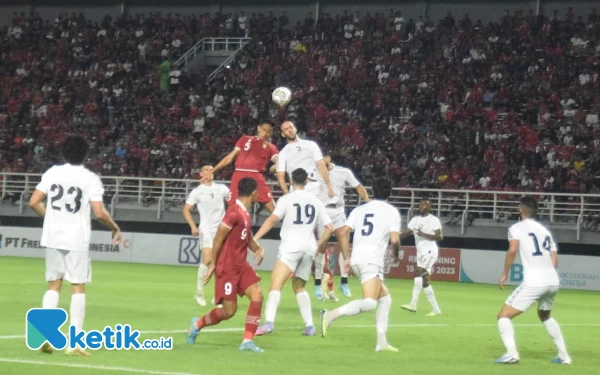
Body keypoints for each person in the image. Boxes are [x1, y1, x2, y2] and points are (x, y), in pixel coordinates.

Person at [28, 135, 122, 357]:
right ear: (85, 154)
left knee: (53, 286)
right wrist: (114, 228)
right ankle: (75, 342)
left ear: (63, 152)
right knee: (77, 287)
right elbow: (99, 212)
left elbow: (33, 201)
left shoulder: (52, 172)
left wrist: (50, 218)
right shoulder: (90, 178)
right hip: (76, 239)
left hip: (52, 237)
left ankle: (45, 334)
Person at [320, 177, 400, 353]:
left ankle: (382, 341)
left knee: (385, 299)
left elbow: (343, 232)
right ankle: (331, 315)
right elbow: (394, 239)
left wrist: (347, 257)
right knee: (370, 303)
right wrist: (396, 255)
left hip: (357, 259)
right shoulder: (392, 212)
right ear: (390, 193)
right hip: (372, 261)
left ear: (372, 191)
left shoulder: (359, 210)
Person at [187, 177, 266, 353]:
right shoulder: (233, 212)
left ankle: (247, 341)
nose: (258, 196)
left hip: (241, 265)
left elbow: (247, 237)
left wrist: (257, 249)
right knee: (229, 311)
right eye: (257, 193)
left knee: (257, 294)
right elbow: (218, 239)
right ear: (254, 193)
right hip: (228, 267)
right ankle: (198, 323)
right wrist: (214, 264)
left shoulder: (244, 213)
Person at [253, 168, 333, 336]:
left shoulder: (286, 199)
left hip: (290, 247)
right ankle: (310, 326)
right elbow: (329, 227)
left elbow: (273, 219)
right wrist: (318, 243)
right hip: (308, 248)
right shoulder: (316, 201)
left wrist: (256, 238)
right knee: (298, 287)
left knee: (275, 286)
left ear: (291, 181)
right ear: (306, 182)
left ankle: (268, 323)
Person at [495, 196, 571, 364]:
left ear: (520, 210)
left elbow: (513, 249)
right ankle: (564, 356)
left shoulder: (517, 228)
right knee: (545, 315)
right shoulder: (545, 231)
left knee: (503, 316)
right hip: (552, 280)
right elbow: (555, 261)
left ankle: (511, 354)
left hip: (535, 281)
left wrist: (505, 273)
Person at [314, 154, 370, 300]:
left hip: (338, 211)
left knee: (345, 246)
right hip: (323, 212)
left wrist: (368, 200)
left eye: (323, 158)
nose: (320, 161)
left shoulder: (343, 172)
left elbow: (358, 186)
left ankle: (344, 282)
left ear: (328, 158)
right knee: (321, 249)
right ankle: (317, 284)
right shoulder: (314, 172)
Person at [202, 120, 278, 213]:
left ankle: (291, 225)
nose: (265, 133)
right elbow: (230, 158)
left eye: (269, 131)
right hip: (239, 174)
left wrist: (278, 165)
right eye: (264, 129)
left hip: (256, 176)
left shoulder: (271, 147)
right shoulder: (244, 139)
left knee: (274, 210)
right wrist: (212, 171)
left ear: (271, 133)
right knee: (233, 210)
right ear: (258, 128)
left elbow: (277, 160)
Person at [183, 165, 230, 306]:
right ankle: (199, 292)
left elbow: (233, 202)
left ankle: (218, 296)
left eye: (212, 169)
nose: (210, 172)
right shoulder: (197, 192)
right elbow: (186, 210)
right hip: (206, 230)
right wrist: (193, 226)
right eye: (207, 170)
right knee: (208, 259)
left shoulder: (222, 188)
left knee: (221, 263)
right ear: (201, 174)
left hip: (221, 229)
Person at [399, 199, 443, 316]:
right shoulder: (414, 220)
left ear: (429, 207)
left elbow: (439, 236)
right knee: (424, 281)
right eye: (421, 204)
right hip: (421, 251)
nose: (422, 206)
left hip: (429, 250)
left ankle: (413, 304)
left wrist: (424, 234)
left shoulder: (433, 220)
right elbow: (405, 234)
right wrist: (394, 236)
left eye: (425, 205)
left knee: (417, 272)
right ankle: (436, 309)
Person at [276, 121, 333, 198]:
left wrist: (328, 186)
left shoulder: (311, 144)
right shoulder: (283, 153)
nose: (289, 130)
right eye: (286, 129)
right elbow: (280, 176)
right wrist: (287, 195)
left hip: (313, 186)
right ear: (283, 134)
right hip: (296, 188)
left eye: (291, 127)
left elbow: (321, 165)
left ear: (295, 129)